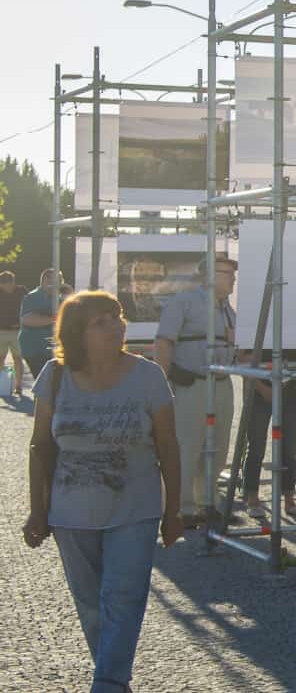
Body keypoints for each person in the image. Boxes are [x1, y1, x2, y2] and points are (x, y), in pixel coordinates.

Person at [23, 291, 185, 693]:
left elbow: (168, 446)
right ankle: (114, 678)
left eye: (118, 316)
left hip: (135, 507)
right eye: (102, 321)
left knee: (124, 598)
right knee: (91, 605)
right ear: (78, 333)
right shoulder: (54, 376)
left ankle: (108, 683)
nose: (117, 325)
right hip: (70, 512)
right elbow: (40, 446)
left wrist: (174, 511)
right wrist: (36, 510)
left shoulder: (148, 376)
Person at [153, 256, 238, 528]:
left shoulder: (227, 309)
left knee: (217, 448)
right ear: (209, 276)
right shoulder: (183, 302)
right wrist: (162, 385)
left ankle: (207, 503)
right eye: (228, 273)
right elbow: (163, 343)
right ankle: (180, 509)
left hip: (222, 385)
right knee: (187, 447)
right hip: (192, 384)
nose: (233, 278)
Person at [235, 344, 296, 520]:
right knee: (257, 445)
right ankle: (252, 498)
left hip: (288, 388)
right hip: (259, 389)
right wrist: (261, 388)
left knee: (289, 446)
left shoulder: (293, 324)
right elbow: (242, 358)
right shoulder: (254, 322)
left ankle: (289, 499)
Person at [20, 268, 64, 385]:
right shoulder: (32, 297)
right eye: (55, 279)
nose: (58, 283)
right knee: (44, 382)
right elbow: (27, 320)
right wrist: (55, 318)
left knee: (54, 382)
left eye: (59, 280)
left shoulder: (59, 299)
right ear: (44, 280)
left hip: (53, 348)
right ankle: (41, 403)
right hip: (35, 347)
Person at [0, 271, 27, 396]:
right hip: (2, 331)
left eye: (10, 283)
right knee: (1, 358)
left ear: (13, 282)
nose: (7, 287)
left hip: (18, 331)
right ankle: (2, 384)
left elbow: (28, 306)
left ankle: (18, 385)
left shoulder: (21, 292)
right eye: (4, 284)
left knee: (18, 358)